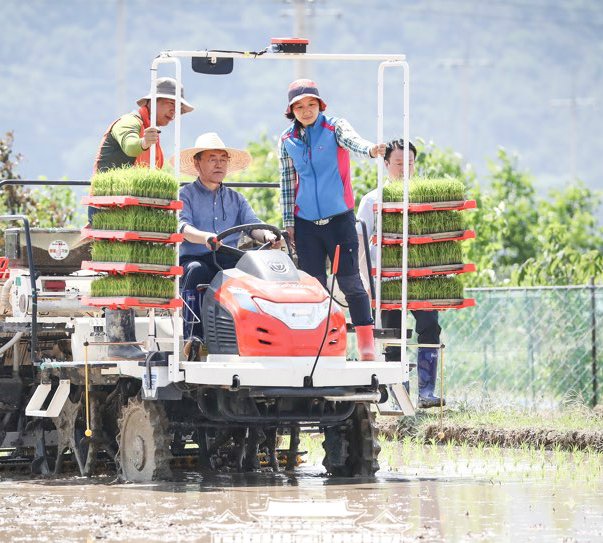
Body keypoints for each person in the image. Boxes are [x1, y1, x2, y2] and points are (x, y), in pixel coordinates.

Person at [278, 79, 387, 361]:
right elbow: (287, 183)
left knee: (351, 282)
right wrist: (288, 222)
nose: (306, 110)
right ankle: (319, 344)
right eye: (299, 106)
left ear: (320, 105)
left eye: (311, 104)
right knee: (314, 287)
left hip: (340, 221)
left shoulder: (334, 127)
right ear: (291, 110)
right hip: (305, 225)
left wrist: (371, 150)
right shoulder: (286, 141)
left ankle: (365, 345)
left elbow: (354, 141)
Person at [356, 139, 446, 408]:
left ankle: (427, 393)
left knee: (430, 328)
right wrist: (367, 283)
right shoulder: (372, 200)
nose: (404, 169)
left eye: (409, 163)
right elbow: (360, 244)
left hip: (421, 279)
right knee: (393, 335)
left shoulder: (423, 199)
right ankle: (399, 396)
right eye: (398, 163)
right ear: (386, 165)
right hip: (387, 282)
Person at [177, 132, 278, 339]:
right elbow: (182, 226)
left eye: (223, 159)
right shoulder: (185, 195)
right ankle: (193, 337)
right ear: (197, 164)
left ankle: (257, 336)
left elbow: (254, 226)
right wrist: (204, 237)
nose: (219, 164)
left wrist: (268, 236)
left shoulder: (237, 198)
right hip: (195, 257)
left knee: (255, 271)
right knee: (196, 270)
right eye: (212, 159)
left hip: (227, 257)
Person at [93, 77, 194, 174]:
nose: (174, 110)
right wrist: (144, 142)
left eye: (178, 106)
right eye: (171, 103)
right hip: (111, 191)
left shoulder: (152, 133)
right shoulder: (129, 121)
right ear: (152, 102)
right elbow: (130, 147)